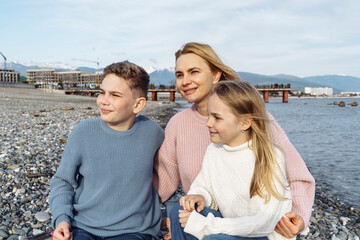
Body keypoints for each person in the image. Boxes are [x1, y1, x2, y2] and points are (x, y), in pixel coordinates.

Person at [153, 42, 315, 239]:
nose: (185, 81)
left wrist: (298, 217)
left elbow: (298, 176)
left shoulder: (255, 119)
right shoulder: (178, 124)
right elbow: (163, 179)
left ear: (215, 75)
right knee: (178, 214)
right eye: (179, 75)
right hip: (212, 214)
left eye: (193, 71)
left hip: (251, 226)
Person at [50, 61, 164, 240]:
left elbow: (167, 177)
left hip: (134, 231)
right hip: (83, 227)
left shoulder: (153, 133)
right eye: (102, 92)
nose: (103, 101)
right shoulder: (83, 132)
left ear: (138, 105)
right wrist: (61, 219)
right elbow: (62, 181)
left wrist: (173, 217)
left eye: (115, 95)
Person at [171, 80, 294, 240]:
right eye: (209, 115)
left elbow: (264, 222)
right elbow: (204, 187)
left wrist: (208, 225)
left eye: (217, 118)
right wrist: (200, 196)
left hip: (263, 234)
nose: (208, 123)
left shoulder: (269, 157)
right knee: (179, 211)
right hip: (233, 225)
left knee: (213, 239)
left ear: (245, 123)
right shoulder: (214, 150)